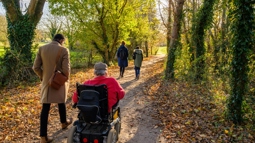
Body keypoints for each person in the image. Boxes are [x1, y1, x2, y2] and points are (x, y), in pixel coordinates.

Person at [33, 34, 72, 143]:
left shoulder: (42, 48)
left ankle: (43, 137)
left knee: (45, 108)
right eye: (63, 41)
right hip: (59, 81)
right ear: (61, 40)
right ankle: (63, 122)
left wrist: (43, 76)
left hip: (46, 82)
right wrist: (64, 78)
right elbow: (66, 70)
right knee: (61, 101)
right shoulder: (64, 50)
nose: (63, 43)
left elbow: (35, 67)